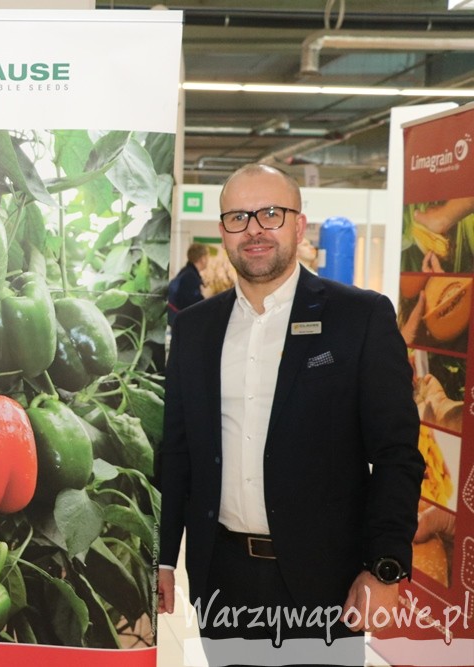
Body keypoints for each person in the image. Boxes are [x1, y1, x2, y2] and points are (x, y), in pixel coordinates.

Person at [157, 163, 424, 666]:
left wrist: (384, 567)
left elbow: (397, 455)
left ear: (299, 226)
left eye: (271, 214)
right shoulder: (195, 329)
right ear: (222, 231)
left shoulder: (359, 317)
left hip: (326, 582)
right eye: (238, 217)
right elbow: (177, 452)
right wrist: (163, 557)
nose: (254, 229)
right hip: (222, 578)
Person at [167, 242, 208, 327]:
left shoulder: (186, 272)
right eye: (207, 257)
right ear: (202, 258)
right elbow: (194, 304)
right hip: (181, 323)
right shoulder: (190, 277)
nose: (207, 260)